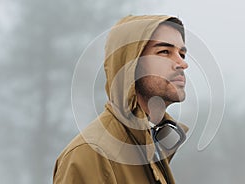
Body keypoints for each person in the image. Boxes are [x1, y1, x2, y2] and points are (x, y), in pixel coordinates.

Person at [53, 15, 189, 184]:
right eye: (164, 52)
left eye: (182, 54)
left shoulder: (151, 146)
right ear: (130, 64)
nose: (182, 64)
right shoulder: (92, 154)